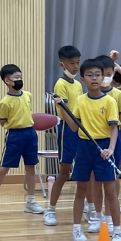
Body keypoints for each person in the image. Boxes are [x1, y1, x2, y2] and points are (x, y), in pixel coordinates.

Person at [55, 59, 121, 241]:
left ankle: (117, 231)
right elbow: (74, 127)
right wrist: (62, 108)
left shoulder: (110, 101)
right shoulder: (80, 101)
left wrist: (111, 149)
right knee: (81, 190)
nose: (94, 78)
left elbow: (114, 128)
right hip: (84, 148)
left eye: (98, 75)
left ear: (103, 78)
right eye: (90, 75)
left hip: (104, 148)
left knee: (110, 191)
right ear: (83, 79)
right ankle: (76, 230)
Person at [0, 64, 44, 218]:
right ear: (7, 81)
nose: (19, 80)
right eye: (16, 77)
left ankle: (30, 202)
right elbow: (3, 122)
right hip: (15, 136)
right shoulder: (4, 102)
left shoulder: (28, 95)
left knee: (30, 168)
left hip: (30, 134)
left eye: (20, 77)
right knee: (3, 169)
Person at [87, 54, 121, 234]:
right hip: (93, 142)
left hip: (113, 140)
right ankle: (97, 217)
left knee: (111, 181)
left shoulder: (118, 95)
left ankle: (110, 217)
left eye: (108, 74)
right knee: (95, 180)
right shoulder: (87, 97)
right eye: (101, 74)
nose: (103, 78)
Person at [44, 46, 83, 226]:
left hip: (81, 130)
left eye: (77, 63)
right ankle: (50, 210)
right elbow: (64, 111)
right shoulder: (60, 84)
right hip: (68, 130)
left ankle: (90, 208)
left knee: (85, 171)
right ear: (62, 64)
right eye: (71, 63)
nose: (75, 66)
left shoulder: (79, 84)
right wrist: (74, 126)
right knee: (64, 172)